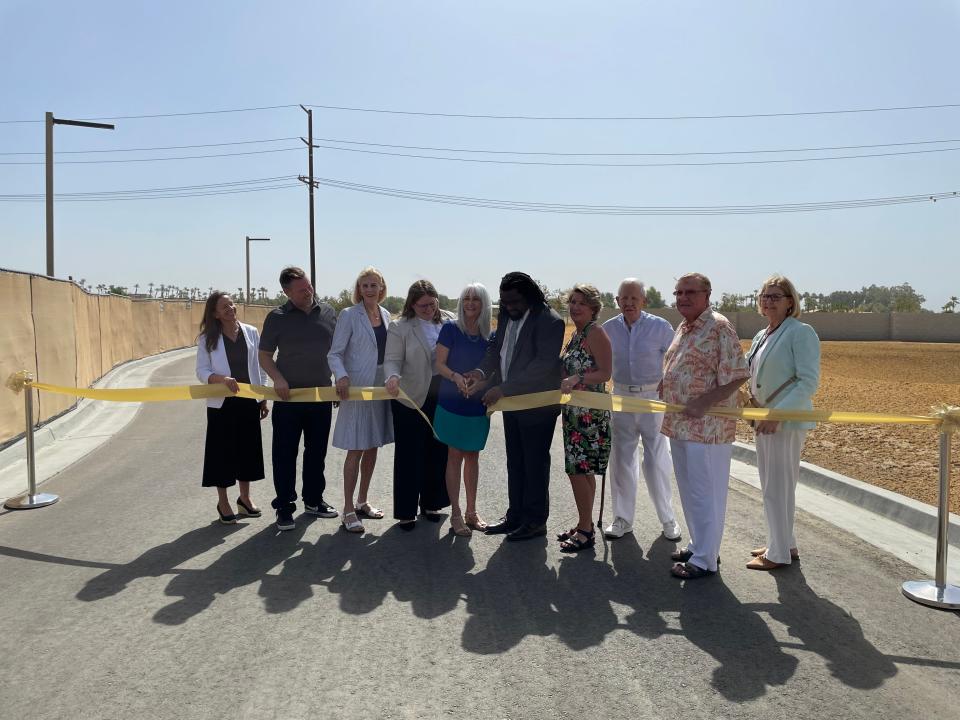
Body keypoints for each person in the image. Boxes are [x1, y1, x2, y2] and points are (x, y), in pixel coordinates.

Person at [660, 272, 750, 579]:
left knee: (705, 492)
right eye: (678, 292)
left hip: (708, 429)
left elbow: (739, 374)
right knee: (689, 490)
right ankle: (700, 544)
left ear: (707, 295)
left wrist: (705, 401)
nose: (682, 298)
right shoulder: (684, 327)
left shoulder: (719, 326)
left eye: (690, 292)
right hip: (680, 426)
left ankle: (705, 560)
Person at [464, 271, 565, 541]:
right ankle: (516, 516)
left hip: (537, 407)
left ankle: (535, 521)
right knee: (516, 462)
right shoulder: (510, 314)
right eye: (504, 303)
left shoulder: (550, 322)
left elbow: (541, 368)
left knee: (534, 464)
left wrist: (503, 389)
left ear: (529, 296)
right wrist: (481, 373)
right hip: (512, 404)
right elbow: (494, 349)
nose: (509, 307)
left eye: (514, 302)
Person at [745, 275, 821, 570]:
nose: (768, 301)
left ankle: (777, 554)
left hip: (783, 423)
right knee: (773, 485)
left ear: (791, 302)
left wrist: (778, 414)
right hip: (764, 420)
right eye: (764, 295)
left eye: (775, 296)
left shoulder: (801, 332)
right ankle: (783, 542)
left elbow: (808, 382)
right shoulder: (763, 334)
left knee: (778, 486)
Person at [259, 266, 338, 532]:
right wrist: (278, 379)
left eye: (309, 287)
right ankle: (284, 507)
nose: (308, 292)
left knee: (317, 453)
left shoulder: (328, 313)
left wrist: (338, 380)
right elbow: (265, 356)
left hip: (321, 398)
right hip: (289, 399)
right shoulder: (277, 317)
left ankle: (314, 500)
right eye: (302, 290)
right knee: (285, 455)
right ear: (287, 292)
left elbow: (337, 352)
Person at [602, 278, 681, 541]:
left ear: (644, 301)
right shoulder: (608, 329)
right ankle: (622, 519)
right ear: (617, 301)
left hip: (652, 397)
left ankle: (668, 519)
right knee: (622, 460)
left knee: (657, 460)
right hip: (621, 396)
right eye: (624, 298)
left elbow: (674, 362)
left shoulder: (660, 327)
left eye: (634, 298)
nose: (628, 303)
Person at [328, 267, 394, 534]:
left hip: (380, 389)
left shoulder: (388, 315)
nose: (369, 289)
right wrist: (341, 376)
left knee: (373, 445)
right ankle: (347, 509)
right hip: (355, 389)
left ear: (381, 288)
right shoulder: (348, 315)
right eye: (364, 285)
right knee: (356, 447)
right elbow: (334, 353)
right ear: (359, 289)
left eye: (373, 285)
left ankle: (362, 501)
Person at [383, 280, 454, 529]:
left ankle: (432, 502)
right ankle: (406, 511)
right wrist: (392, 377)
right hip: (410, 398)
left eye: (432, 304)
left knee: (438, 451)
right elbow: (392, 360)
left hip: (442, 395)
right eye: (423, 306)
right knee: (409, 454)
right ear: (412, 304)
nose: (429, 310)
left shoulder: (449, 320)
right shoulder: (399, 327)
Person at [195, 292, 270, 524]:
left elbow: (261, 366)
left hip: (248, 401)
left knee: (247, 451)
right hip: (222, 404)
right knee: (222, 454)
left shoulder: (251, 332)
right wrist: (220, 379)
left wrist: (263, 396)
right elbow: (201, 371)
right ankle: (224, 502)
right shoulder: (207, 338)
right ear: (215, 313)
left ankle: (245, 499)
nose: (231, 308)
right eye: (224, 306)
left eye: (232, 304)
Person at [434, 283, 494, 536]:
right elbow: (439, 365)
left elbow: (492, 371)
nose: (470, 303)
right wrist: (457, 378)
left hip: (477, 405)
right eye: (466, 298)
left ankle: (472, 512)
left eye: (476, 299)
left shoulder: (489, 336)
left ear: (484, 304)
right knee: (454, 456)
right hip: (450, 403)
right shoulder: (450, 329)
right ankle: (456, 514)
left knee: (473, 457)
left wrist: (481, 383)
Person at [556, 284, 612, 552]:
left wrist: (578, 377)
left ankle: (586, 531)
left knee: (579, 472)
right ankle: (583, 523)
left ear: (593, 308)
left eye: (581, 303)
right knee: (579, 472)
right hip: (573, 414)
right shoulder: (576, 334)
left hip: (590, 416)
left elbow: (605, 373)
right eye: (573, 302)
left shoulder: (595, 333)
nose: (575, 307)